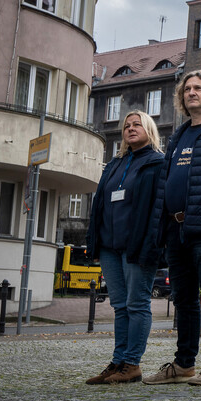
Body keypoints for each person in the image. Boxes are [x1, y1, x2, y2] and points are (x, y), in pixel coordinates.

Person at [143, 70, 201, 386]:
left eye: (198, 88)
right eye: (187, 89)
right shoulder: (179, 135)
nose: (191, 92)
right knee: (182, 298)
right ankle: (184, 364)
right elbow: (166, 184)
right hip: (176, 228)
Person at [85, 111, 164, 384]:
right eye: (126, 126)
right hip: (109, 245)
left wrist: (152, 243)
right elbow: (99, 206)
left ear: (149, 129)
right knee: (120, 306)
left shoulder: (157, 163)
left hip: (137, 245)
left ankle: (132, 364)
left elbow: (158, 210)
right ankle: (118, 362)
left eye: (137, 124)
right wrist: (94, 241)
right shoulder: (114, 165)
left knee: (137, 303)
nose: (130, 129)